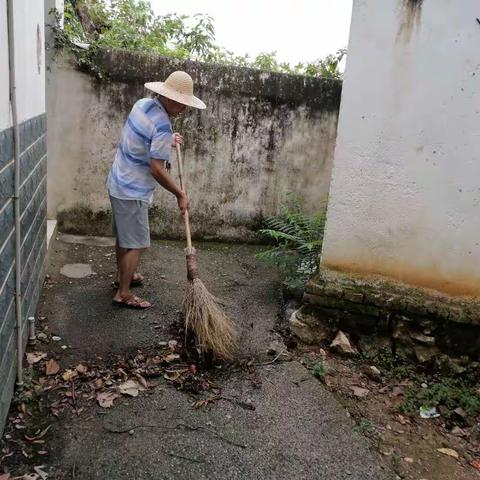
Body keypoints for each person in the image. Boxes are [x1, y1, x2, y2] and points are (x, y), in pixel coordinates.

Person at [107, 71, 206, 309]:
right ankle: (124, 293)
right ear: (169, 98)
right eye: (182, 104)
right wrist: (180, 194)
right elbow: (157, 169)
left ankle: (125, 276)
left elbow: (142, 136)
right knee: (138, 243)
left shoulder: (143, 105)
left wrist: (167, 139)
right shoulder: (162, 126)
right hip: (133, 190)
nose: (184, 109)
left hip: (118, 181)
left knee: (125, 237)